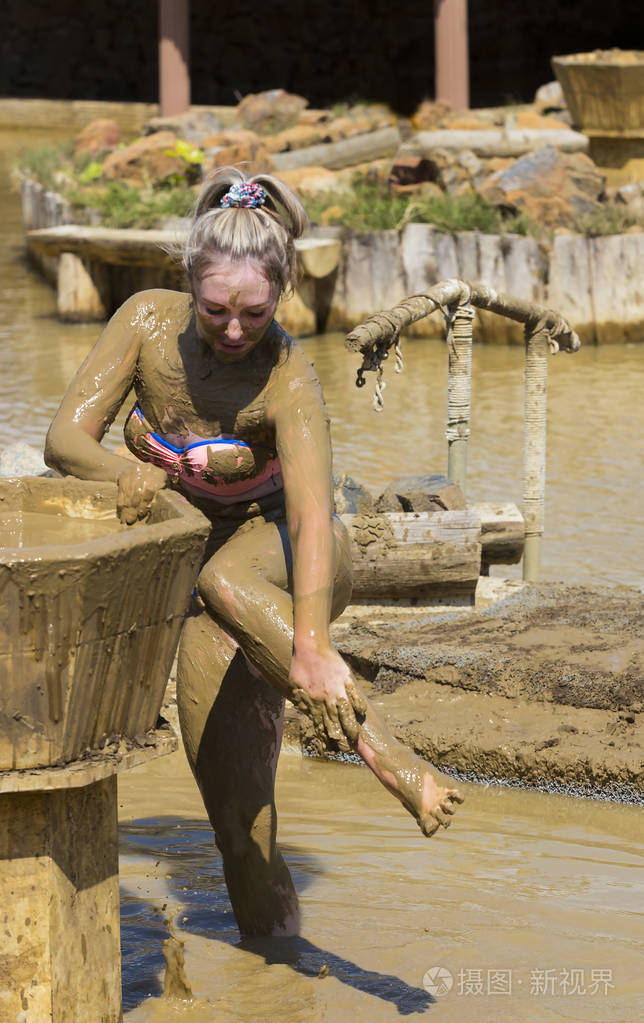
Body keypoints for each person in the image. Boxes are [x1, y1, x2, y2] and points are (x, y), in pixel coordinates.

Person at [45, 167, 463, 938]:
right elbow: (63, 440)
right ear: (186, 284)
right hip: (210, 582)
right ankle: (278, 965)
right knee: (236, 814)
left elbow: (309, 519)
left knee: (222, 570)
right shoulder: (142, 323)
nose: (235, 330)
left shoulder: (290, 377)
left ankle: (384, 752)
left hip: (292, 559)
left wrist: (311, 640)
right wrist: (123, 471)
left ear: (285, 289)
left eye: (254, 313)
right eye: (215, 311)